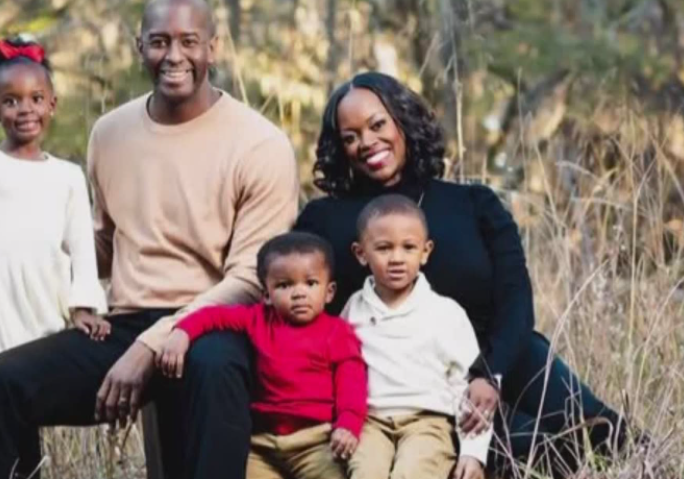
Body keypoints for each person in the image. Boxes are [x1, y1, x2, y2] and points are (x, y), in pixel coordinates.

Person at [0, 1, 299, 478]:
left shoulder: (261, 144)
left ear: (213, 48)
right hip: (126, 326)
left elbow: (250, 280)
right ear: (140, 49)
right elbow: (107, 245)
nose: (174, 55)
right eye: (159, 42)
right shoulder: (110, 134)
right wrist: (18, 244)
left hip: (214, 327)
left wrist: (154, 345)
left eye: (188, 42)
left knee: (215, 368)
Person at [295, 71, 627, 477]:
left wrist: (491, 374)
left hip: (500, 360)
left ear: (403, 120)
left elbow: (516, 300)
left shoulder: (474, 204)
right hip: (412, 388)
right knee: (537, 450)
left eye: (377, 125)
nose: (366, 143)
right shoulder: (324, 221)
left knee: (602, 433)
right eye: (350, 136)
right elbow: (304, 311)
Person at [0, 36, 108, 371]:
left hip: (45, 299)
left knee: (34, 390)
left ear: (52, 104)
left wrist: (84, 306)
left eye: (36, 99)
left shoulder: (69, 175)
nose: (25, 109)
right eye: (11, 101)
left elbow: (83, 248)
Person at [158, 232, 367, 479]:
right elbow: (213, 316)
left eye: (310, 283)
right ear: (266, 294)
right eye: (284, 285)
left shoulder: (337, 332)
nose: (299, 293)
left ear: (329, 291)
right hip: (262, 443)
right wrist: (182, 332)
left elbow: (352, 383)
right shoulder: (256, 319)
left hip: (316, 440)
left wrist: (348, 425)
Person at [341, 195, 490, 479]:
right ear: (361, 253)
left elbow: (468, 387)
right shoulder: (353, 309)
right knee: (365, 473)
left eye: (408, 247)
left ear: (425, 251)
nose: (397, 258)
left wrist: (473, 452)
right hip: (369, 423)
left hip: (428, 422)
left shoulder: (445, 313)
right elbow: (337, 368)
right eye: (383, 248)